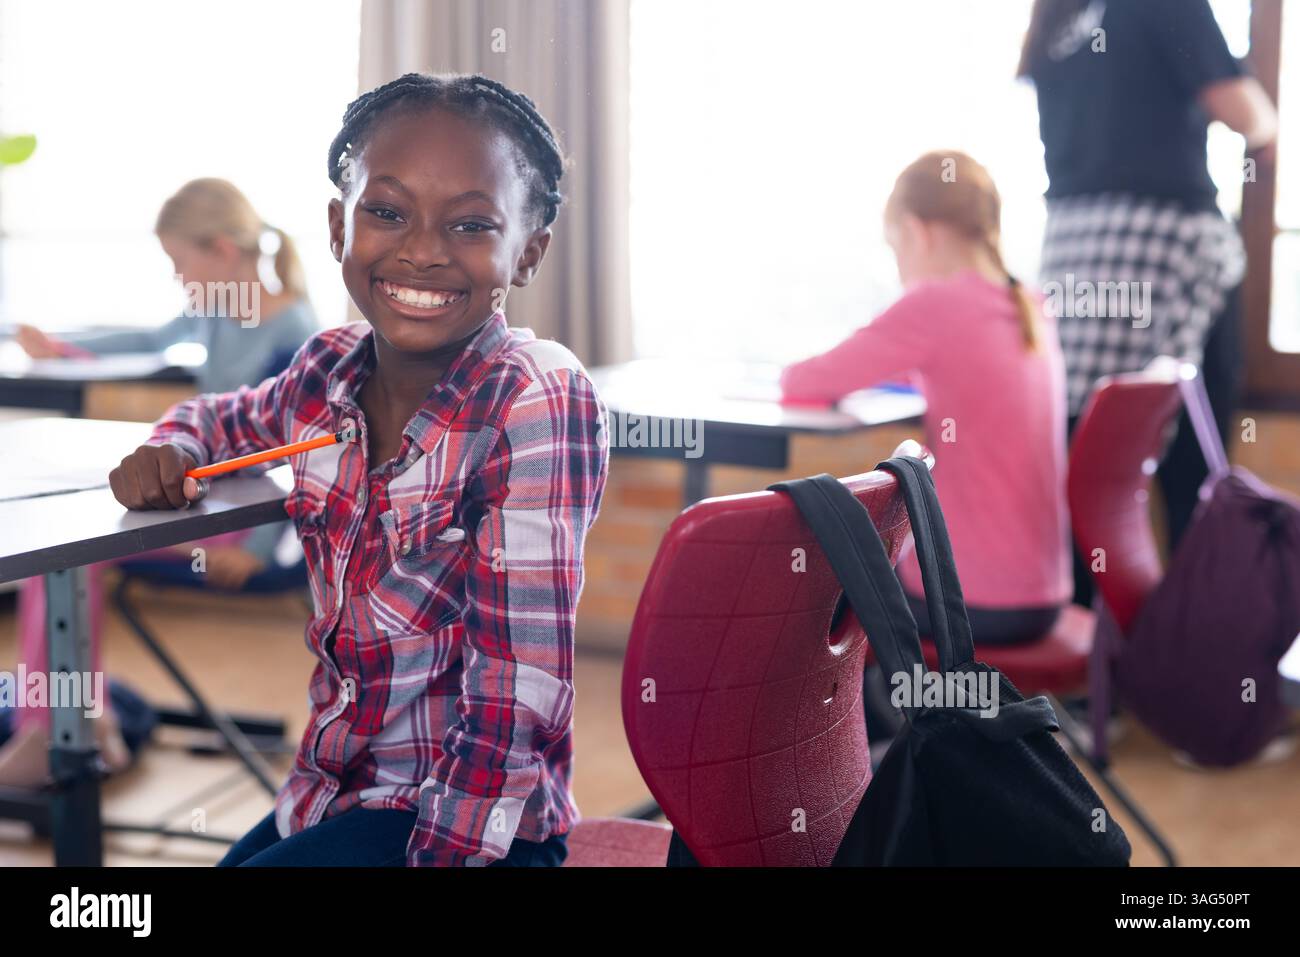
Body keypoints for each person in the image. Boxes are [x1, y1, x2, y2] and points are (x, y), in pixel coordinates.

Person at [108, 74, 607, 867]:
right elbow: (218, 419)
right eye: (386, 211)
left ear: (529, 252)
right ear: (340, 226)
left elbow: (518, 698)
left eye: (472, 223)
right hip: (330, 791)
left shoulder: (533, 395)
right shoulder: (325, 370)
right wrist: (172, 449)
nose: (422, 249)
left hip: (469, 827)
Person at [0, 179, 318, 789]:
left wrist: (254, 551)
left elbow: (300, 455)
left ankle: (62, 729)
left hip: (252, 529)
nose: (178, 279)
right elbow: (145, 338)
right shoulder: (219, 313)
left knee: (74, 557)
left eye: (179, 264)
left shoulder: (293, 330)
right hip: (209, 508)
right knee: (64, 550)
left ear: (222, 251)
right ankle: (77, 723)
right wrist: (58, 346)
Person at [1018, 0, 1278, 597]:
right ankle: (1189, 645)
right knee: (1188, 464)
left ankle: (1085, 638)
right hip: (1161, 240)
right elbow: (1241, 111)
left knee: (1084, 447)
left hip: (1071, 248)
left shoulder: (1055, 16)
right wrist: (1268, 130)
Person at [782, 151, 1071, 646]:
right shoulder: (1031, 305)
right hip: (1045, 595)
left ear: (917, 232)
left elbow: (803, 382)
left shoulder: (936, 304)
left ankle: (849, 724)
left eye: (895, 248)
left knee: (813, 590)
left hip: (969, 599)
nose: (898, 267)